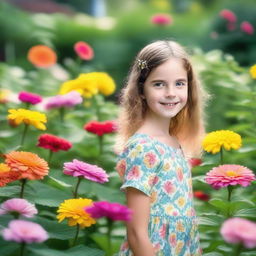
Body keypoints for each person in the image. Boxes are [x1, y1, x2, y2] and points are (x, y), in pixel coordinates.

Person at [114, 40, 208, 256]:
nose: (171, 93)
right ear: (141, 90)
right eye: (159, 84)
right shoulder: (143, 147)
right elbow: (137, 233)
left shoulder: (174, 142)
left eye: (179, 83)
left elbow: (187, 223)